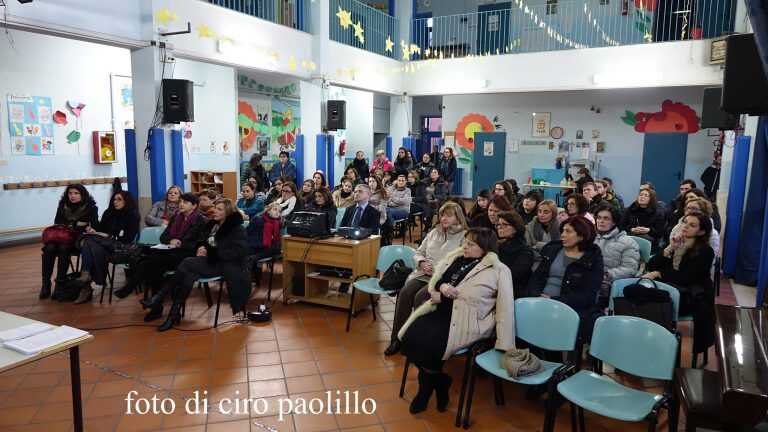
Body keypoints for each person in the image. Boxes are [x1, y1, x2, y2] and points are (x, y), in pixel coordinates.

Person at [398, 228, 515, 414]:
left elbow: (505, 307)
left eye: (471, 244)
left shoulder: (499, 270)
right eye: (465, 241)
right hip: (441, 311)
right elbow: (437, 280)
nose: (464, 246)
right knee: (410, 337)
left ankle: (424, 391)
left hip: (468, 321)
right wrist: (441, 286)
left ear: (485, 248)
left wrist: (504, 343)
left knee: (431, 344)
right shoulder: (456, 257)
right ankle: (440, 382)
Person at [385, 202, 467, 356]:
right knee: (404, 293)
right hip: (423, 274)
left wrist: (439, 271)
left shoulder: (464, 236)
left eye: (449, 215)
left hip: (442, 279)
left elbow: (461, 263)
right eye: (442, 214)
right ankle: (396, 339)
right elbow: (418, 252)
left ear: (458, 217)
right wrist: (422, 262)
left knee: (420, 297)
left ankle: (414, 339)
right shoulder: (434, 232)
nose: (444, 218)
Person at [158, 199, 250, 332]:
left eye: (219, 209)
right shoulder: (213, 225)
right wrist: (202, 247)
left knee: (187, 262)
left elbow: (239, 251)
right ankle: (172, 315)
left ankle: (161, 296)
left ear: (228, 212)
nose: (215, 211)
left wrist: (212, 252)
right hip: (211, 261)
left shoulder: (236, 228)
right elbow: (204, 241)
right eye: (215, 208)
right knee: (189, 274)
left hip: (224, 264)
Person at [120, 193, 208, 319]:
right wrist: (172, 240)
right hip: (171, 252)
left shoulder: (202, 220)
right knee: (153, 266)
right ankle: (154, 305)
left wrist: (180, 243)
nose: (181, 204)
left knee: (150, 263)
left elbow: (200, 242)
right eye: (181, 201)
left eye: (185, 202)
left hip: (187, 256)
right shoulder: (176, 217)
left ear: (194, 206)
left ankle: (136, 292)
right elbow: (163, 237)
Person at [643, 211, 715, 354]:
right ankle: (648, 341)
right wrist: (670, 248)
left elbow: (686, 278)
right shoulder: (677, 243)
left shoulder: (706, 251)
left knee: (653, 301)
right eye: (685, 222)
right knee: (641, 295)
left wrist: (660, 273)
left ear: (701, 232)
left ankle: (660, 346)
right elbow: (651, 264)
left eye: (692, 225)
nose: (685, 226)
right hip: (671, 289)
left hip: (691, 296)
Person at [527, 215, 604, 341]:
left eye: (568, 231)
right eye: (562, 231)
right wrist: (537, 295)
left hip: (570, 306)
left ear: (581, 235)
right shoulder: (553, 249)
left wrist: (555, 300)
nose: (562, 235)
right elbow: (536, 277)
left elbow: (588, 295)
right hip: (541, 300)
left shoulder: (592, 257)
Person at [74, 191, 140, 303]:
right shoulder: (108, 213)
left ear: (126, 201)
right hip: (104, 244)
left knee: (90, 241)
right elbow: (101, 230)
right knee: (91, 242)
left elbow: (128, 238)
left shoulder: (132, 215)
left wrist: (108, 236)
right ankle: (89, 279)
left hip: (122, 247)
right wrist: (94, 231)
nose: (115, 202)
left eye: (119, 199)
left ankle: (87, 278)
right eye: (114, 199)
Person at [41, 184, 99, 299]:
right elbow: (57, 221)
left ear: (83, 194)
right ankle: (46, 284)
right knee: (49, 248)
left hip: (77, 239)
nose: (72, 196)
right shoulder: (63, 205)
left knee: (63, 248)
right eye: (70, 193)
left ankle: (60, 284)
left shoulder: (91, 207)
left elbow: (95, 224)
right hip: (61, 236)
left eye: (76, 193)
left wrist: (80, 226)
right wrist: (77, 224)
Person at [594, 205, 640, 304]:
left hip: (609, 284)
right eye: (599, 217)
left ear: (614, 222)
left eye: (606, 218)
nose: (601, 221)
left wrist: (608, 275)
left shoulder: (628, 242)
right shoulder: (590, 238)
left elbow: (630, 269)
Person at [495, 211, 535, 296]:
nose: (499, 227)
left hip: (514, 292)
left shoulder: (525, 251)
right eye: (498, 224)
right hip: (496, 286)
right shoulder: (498, 245)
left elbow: (512, 275)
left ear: (516, 227)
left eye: (504, 224)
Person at [247, 202, 282, 279]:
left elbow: (275, 239)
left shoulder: (277, 223)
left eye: (279, 211)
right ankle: (253, 270)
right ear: (268, 210)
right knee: (272, 248)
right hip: (256, 244)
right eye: (275, 209)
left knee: (277, 248)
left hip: (265, 246)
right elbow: (250, 234)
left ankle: (254, 259)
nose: (277, 212)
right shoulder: (258, 220)